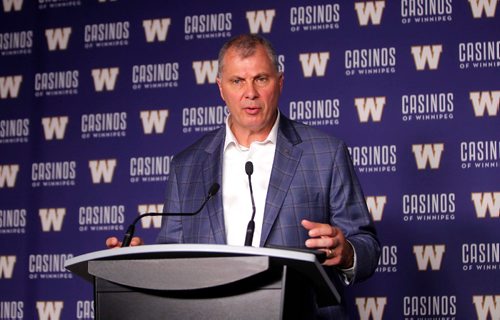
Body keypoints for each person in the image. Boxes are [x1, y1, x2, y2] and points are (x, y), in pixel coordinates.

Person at [106, 34, 380, 319]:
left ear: (280, 83)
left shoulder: (325, 153)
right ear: (221, 88)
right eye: (237, 81)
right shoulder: (186, 165)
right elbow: (174, 256)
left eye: (261, 79)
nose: (250, 92)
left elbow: (367, 246)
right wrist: (132, 262)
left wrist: (346, 251)